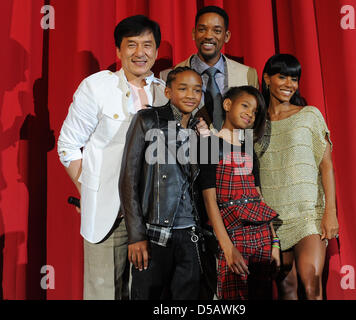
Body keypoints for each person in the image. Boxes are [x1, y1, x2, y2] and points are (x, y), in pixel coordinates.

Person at [57, 15, 169, 300]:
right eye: (131, 45)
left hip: (154, 216)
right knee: (104, 293)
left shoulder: (165, 93)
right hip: (110, 216)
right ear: (118, 51)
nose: (139, 53)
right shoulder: (96, 87)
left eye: (147, 45)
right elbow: (68, 145)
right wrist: (91, 191)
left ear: (156, 51)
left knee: (147, 293)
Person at [256, 54, 339, 300]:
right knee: (287, 291)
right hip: (273, 219)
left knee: (312, 287)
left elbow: (326, 166)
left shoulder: (309, 115)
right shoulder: (256, 123)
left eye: (294, 79)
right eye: (282, 77)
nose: (289, 84)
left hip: (307, 214)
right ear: (267, 78)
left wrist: (330, 212)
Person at [119, 67, 206, 300]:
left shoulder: (199, 130)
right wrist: (136, 235)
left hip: (191, 235)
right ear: (168, 92)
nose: (191, 95)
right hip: (155, 233)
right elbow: (128, 180)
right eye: (183, 88)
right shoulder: (147, 120)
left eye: (197, 90)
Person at [199, 86, 280, 300]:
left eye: (254, 112)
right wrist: (227, 248)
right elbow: (210, 201)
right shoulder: (209, 145)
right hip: (232, 235)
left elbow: (258, 197)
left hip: (260, 236)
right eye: (245, 106)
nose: (250, 114)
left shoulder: (248, 148)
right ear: (227, 105)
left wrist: (275, 243)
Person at [160, 6, 259, 130]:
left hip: (236, 148)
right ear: (193, 33)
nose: (208, 36)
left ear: (226, 36)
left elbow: (254, 124)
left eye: (217, 31)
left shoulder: (247, 74)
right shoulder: (167, 75)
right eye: (202, 29)